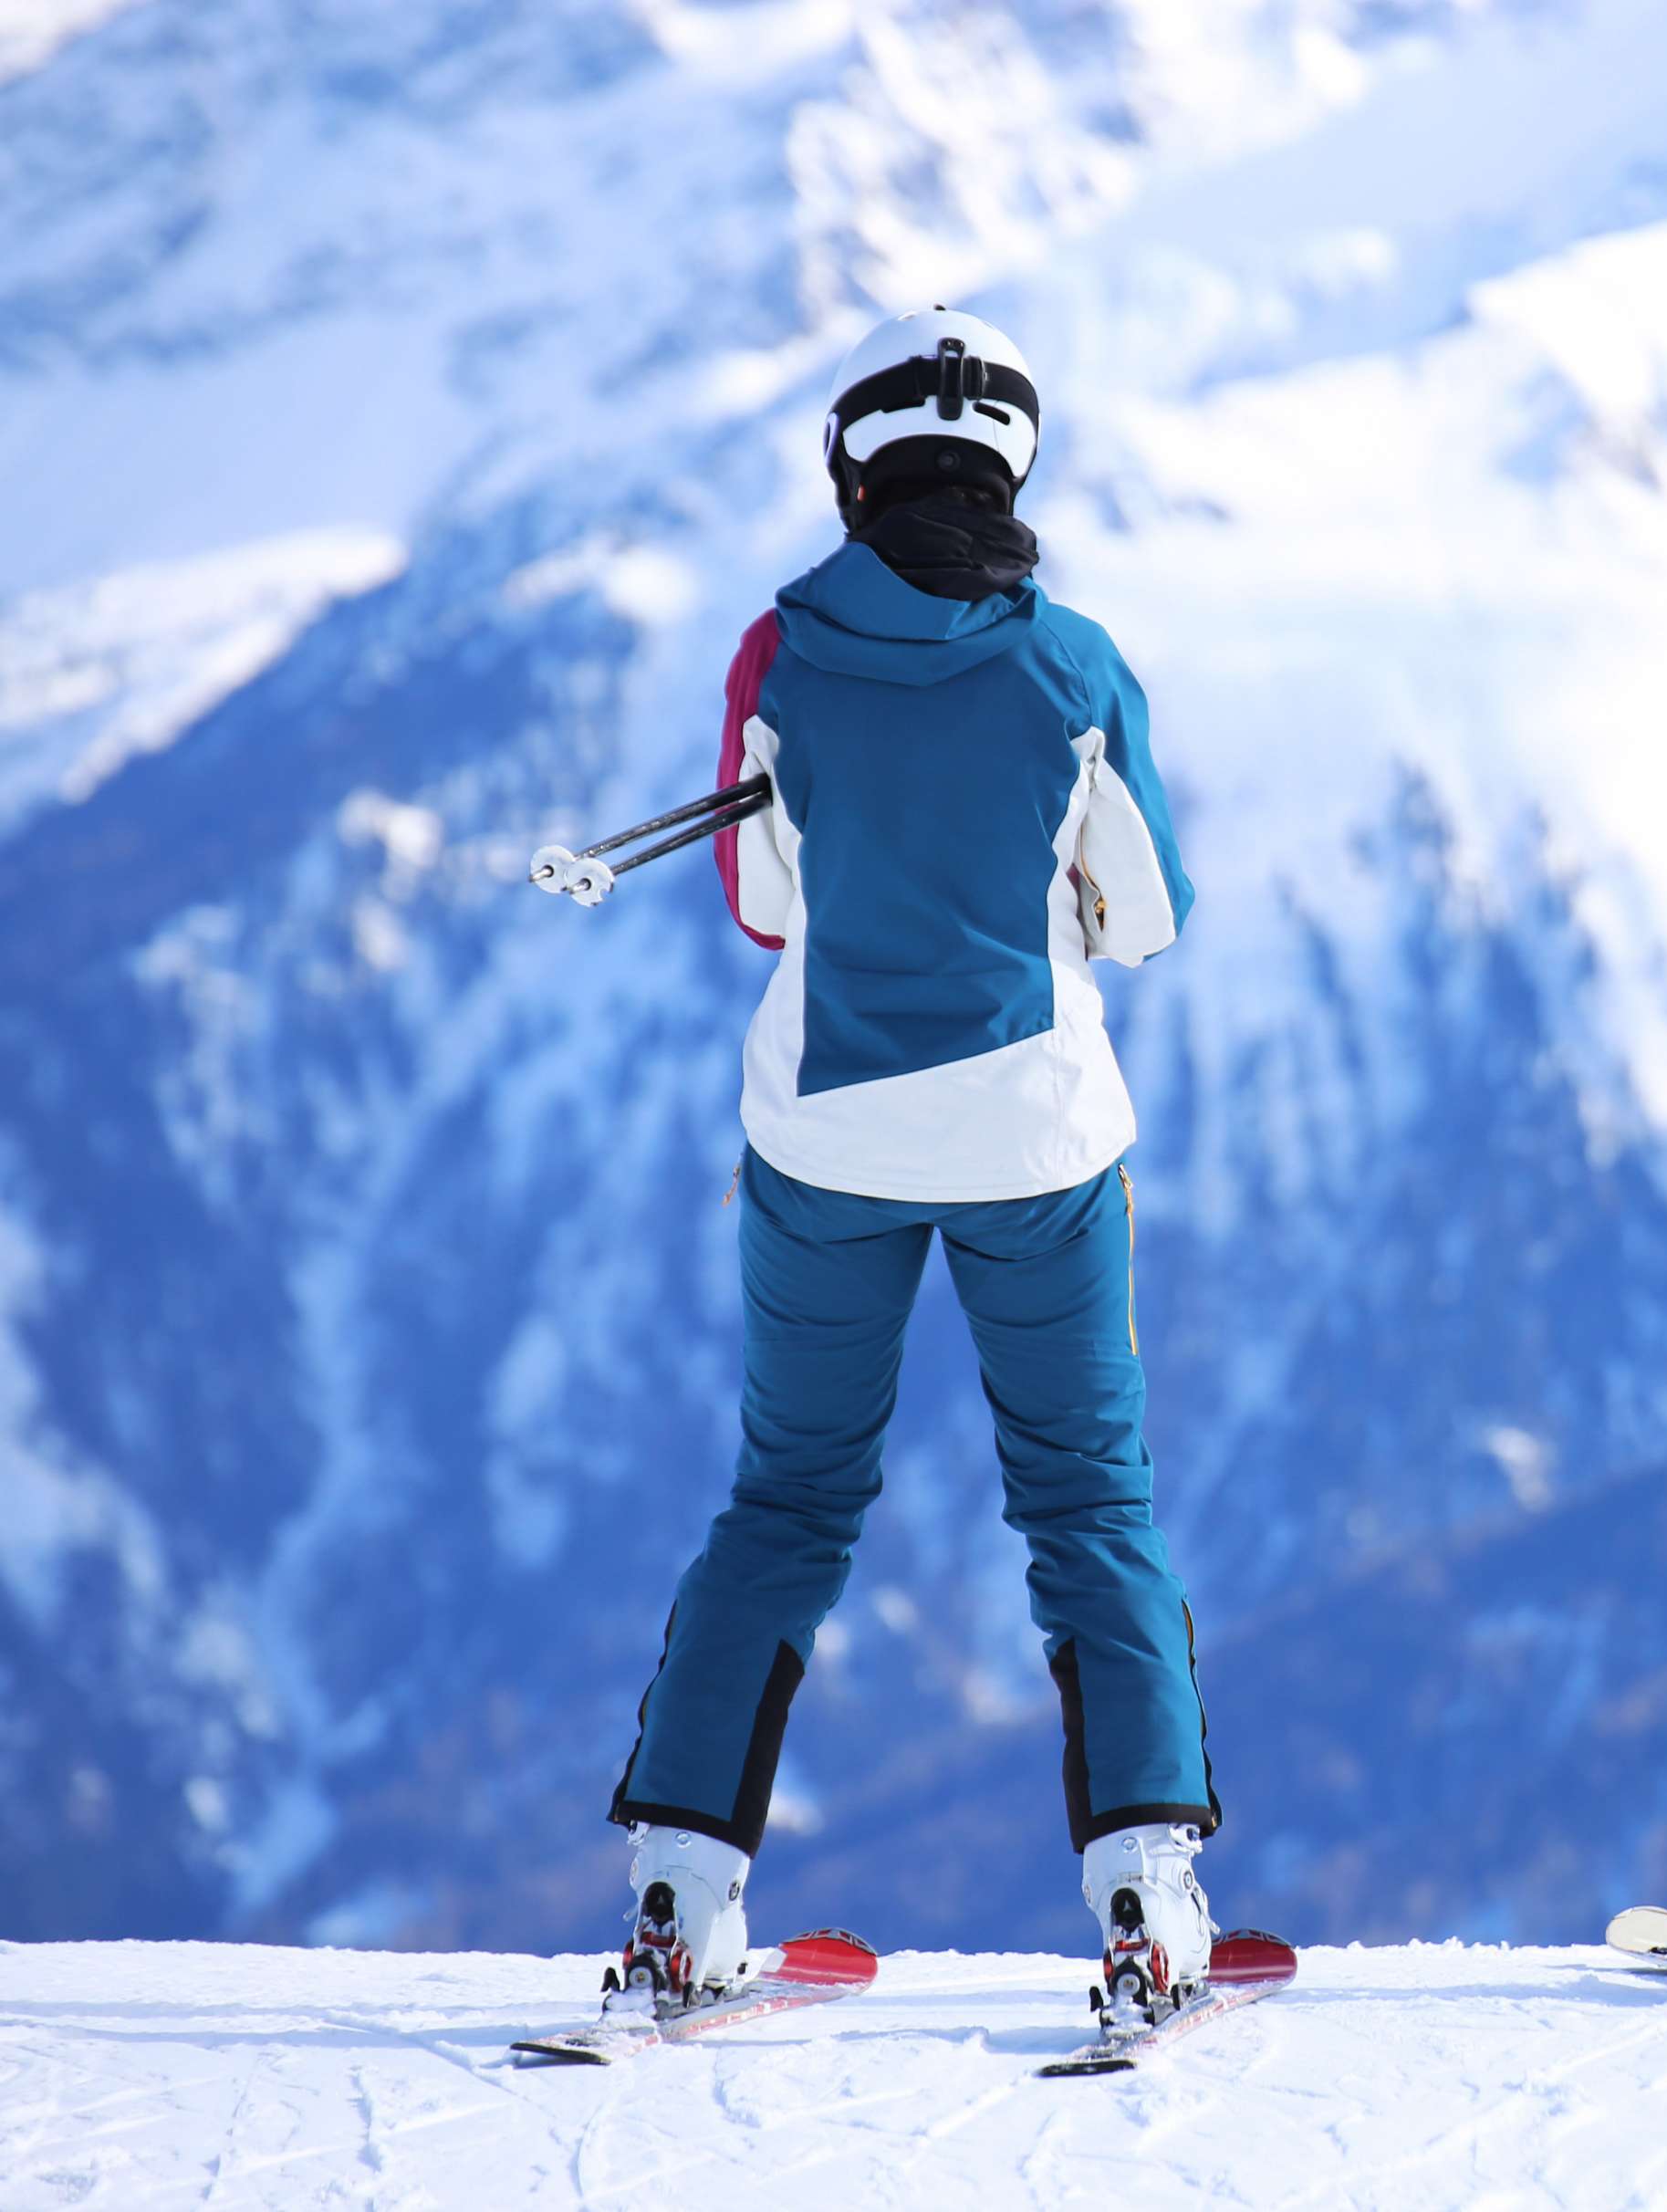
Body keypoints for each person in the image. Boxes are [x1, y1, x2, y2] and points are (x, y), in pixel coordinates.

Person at [600, 307, 1219, 2029]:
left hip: (824, 1135)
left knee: (786, 1503)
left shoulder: (775, 658)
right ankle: (1148, 1904)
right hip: (1035, 1139)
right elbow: (1149, 917)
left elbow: (760, 904)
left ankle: (678, 1899)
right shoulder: (1072, 666)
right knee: (1089, 1502)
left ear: (849, 469)